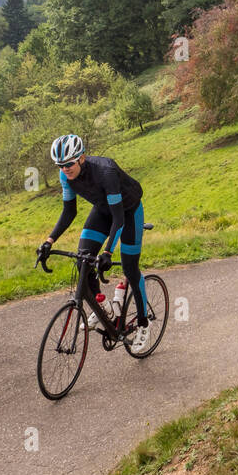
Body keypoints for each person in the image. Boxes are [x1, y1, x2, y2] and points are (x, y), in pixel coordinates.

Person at [37, 133, 150, 351]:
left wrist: (107, 252)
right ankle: (104, 309)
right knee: (83, 263)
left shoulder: (105, 172)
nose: (65, 169)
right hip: (102, 210)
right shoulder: (65, 177)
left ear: (82, 158)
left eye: (69, 163)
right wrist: (49, 241)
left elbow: (119, 218)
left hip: (128, 212)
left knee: (129, 268)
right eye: (60, 165)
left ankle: (144, 323)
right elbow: (69, 212)